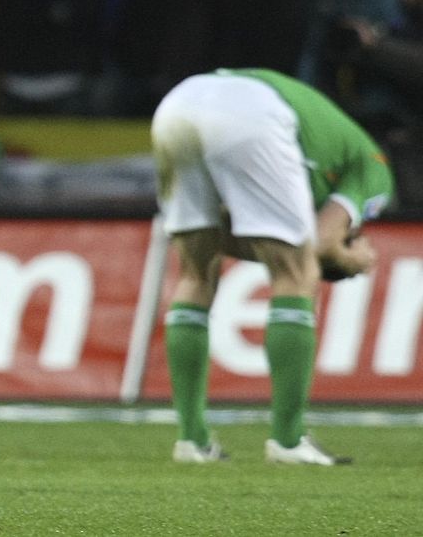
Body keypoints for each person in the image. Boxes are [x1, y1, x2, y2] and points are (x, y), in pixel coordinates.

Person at [153, 68, 391, 465]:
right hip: (252, 113)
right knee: (297, 276)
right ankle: (288, 441)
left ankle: (191, 441)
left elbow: (227, 236)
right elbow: (322, 243)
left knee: (195, 273)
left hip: (178, 102)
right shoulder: (376, 169)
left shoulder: (328, 143)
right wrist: (354, 261)